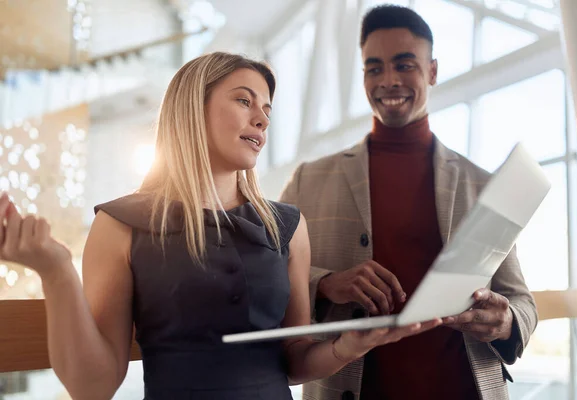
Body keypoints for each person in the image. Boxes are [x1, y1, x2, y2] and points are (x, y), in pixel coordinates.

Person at [0, 52, 442, 400]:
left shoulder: (287, 225)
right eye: (244, 100)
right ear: (193, 108)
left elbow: (293, 360)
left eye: (267, 108)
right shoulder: (120, 225)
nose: (262, 118)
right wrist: (56, 271)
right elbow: (92, 389)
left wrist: (351, 345)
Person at [279, 6, 537, 400]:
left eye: (404, 65)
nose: (389, 81)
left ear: (432, 71)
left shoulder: (480, 184)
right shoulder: (309, 179)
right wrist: (326, 284)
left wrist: (507, 322)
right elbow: (267, 275)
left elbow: (520, 299)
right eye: (374, 68)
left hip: (463, 388)